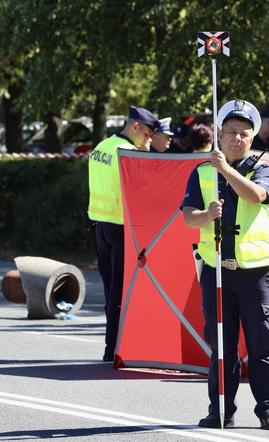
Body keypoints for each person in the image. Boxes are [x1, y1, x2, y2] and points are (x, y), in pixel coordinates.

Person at [182, 99, 269, 431]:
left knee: (261, 345)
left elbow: (257, 197)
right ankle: (221, 410)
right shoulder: (200, 172)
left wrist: (226, 170)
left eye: (243, 134)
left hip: (255, 272)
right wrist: (206, 216)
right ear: (219, 135)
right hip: (217, 270)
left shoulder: (262, 169)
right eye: (231, 132)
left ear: (252, 138)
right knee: (222, 347)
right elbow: (188, 217)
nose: (237, 138)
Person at [88, 106, 160, 362]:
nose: (149, 140)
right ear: (136, 126)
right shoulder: (129, 153)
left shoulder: (101, 147)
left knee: (110, 291)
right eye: (148, 134)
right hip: (121, 229)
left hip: (100, 227)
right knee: (120, 293)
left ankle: (111, 346)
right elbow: (144, 191)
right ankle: (113, 349)